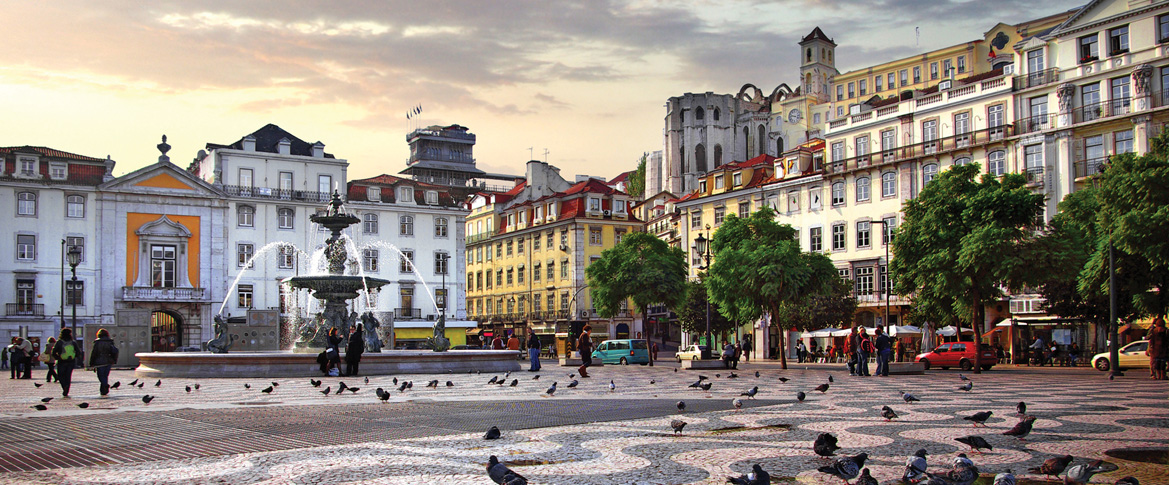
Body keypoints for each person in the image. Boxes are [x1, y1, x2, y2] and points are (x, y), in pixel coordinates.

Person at [88, 328, 118, 396]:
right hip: (108, 360)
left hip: (99, 361)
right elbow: (114, 351)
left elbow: (94, 353)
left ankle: (105, 385)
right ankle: (104, 390)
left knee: (100, 376)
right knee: (105, 376)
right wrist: (114, 360)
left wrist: (91, 363)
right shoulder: (110, 341)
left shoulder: (97, 342)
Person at [51, 328, 79, 397]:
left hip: (61, 361)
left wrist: (58, 357)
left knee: (60, 375)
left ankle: (64, 387)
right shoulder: (73, 342)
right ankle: (67, 389)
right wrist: (73, 356)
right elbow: (78, 352)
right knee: (68, 376)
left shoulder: (59, 342)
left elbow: (53, 352)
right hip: (71, 361)